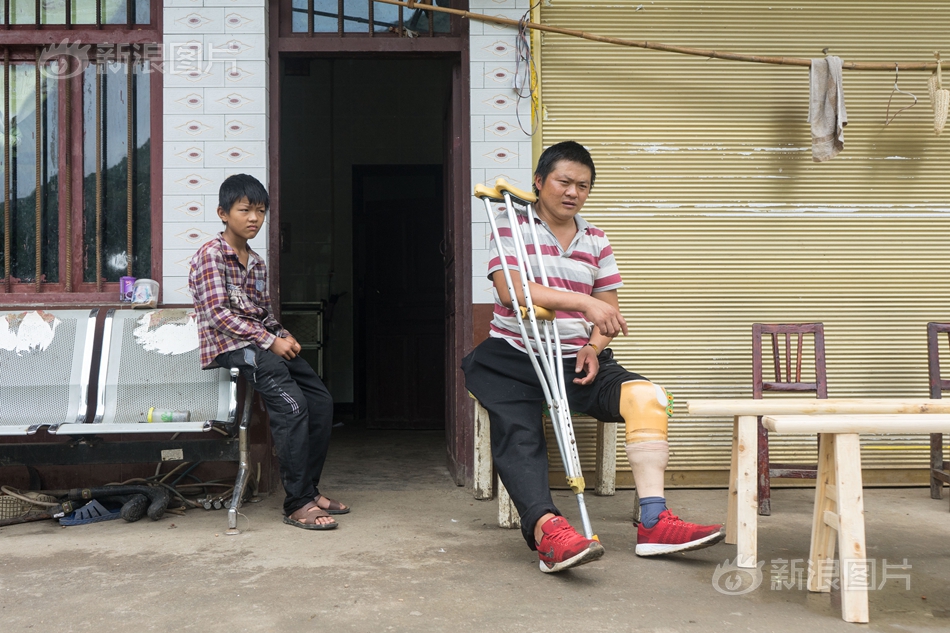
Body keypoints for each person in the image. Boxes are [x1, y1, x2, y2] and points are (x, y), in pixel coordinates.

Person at [463, 141, 724, 573]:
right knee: (519, 430)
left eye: (583, 186)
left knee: (649, 397)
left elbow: (608, 312)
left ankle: (654, 522)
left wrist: (593, 347)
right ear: (539, 182)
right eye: (564, 181)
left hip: (577, 359)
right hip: (515, 358)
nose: (573, 192)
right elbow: (512, 291)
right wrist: (584, 303)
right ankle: (547, 531)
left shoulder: (596, 239)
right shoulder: (511, 223)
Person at [189, 173, 348, 530]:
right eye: (244, 210)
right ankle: (297, 503)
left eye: (260, 211)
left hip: (259, 343)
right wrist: (268, 341)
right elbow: (217, 315)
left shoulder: (256, 262)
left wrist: (282, 335)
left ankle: (309, 490)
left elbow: (264, 314)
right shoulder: (211, 255)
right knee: (292, 406)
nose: (254, 218)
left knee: (320, 401)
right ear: (223, 213)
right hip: (231, 346)